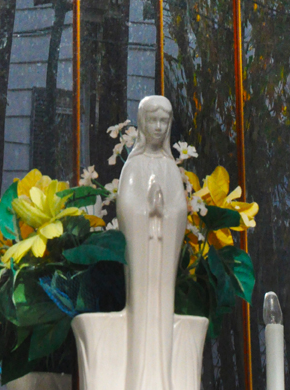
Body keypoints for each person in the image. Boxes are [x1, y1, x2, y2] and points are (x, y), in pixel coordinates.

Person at [116, 95, 187, 390]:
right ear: (143, 123)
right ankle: (138, 378)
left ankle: (164, 377)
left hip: (162, 254)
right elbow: (126, 208)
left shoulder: (170, 168)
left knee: (163, 305)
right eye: (153, 121)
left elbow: (180, 210)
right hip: (142, 255)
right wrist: (148, 210)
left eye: (163, 122)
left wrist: (163, 211)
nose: (158, 127)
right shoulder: (134, 166)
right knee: (140, 307)